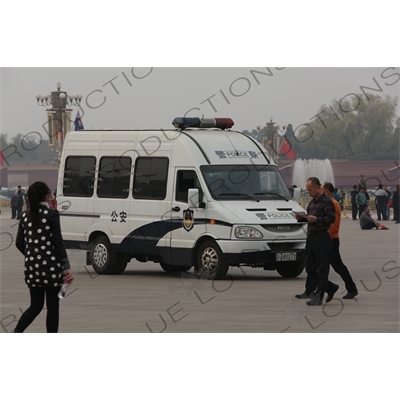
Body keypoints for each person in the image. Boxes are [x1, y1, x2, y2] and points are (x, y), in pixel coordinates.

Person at [13, 181, 74, 333]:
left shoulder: (25, 215)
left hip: (32, 268)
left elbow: (19, 242)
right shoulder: (52, 215)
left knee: (35, 306)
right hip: (51, 269)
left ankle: (16, 332)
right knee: (53, 307)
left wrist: (32, 255)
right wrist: (66, 267)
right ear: (46, 196)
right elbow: (58, 243)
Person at [294, 177, 337, 306]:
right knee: (310, 267)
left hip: (322, 237)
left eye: (310, 189)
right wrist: (301, 218)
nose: (309, 192)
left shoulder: (327, 202)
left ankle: (318, 296)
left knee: (321, 269)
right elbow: (309, 218)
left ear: (318, 188)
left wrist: (317, 219)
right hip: (311, 237)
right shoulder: (312, 203)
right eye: (307, 190)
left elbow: (331, 218)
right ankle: (330, 287)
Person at [323, 182, 358, 299]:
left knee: (338, 266)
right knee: (325, 266)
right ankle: (322, 289)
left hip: (331, 239)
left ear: (326, 191)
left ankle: (351, 288)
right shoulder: (331, 203)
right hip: (331, 238)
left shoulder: (332, 204)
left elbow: (332, 223)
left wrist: (327, 234)